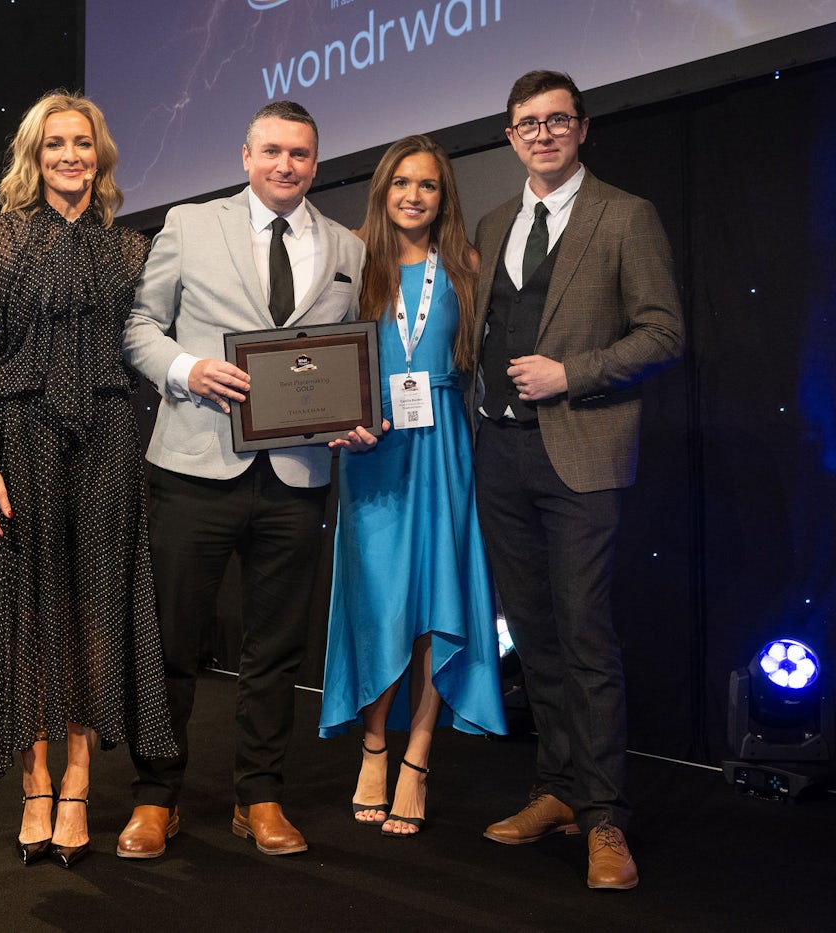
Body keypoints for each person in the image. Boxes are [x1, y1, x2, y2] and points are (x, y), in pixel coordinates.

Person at [120, 100, 373, 859]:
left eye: (299, 153)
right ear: (245, 155)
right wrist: (186, 368)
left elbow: (344, 357)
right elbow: (138, 325)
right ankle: (154, 795)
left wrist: (352, 414)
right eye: (271, 151)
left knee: (277, 649)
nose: (285, 165)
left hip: (297, 475)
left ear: (316, 163)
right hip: (194, 466)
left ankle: (259, 795)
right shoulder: (190, 226)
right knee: (172, 640)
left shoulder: (347, 247)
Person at [0, 90, 177, 870]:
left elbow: (153, 341)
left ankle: (80, 780)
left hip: (109, 440)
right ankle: (35, 782)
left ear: (100, 155)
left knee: (97, 609)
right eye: (54, 145)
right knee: (30, 611)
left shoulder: (130, 248)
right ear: (33, 156)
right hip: (22, 438)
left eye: (82, 143)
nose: (70, 156)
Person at [469, 70, 684, 890]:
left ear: (582, 129)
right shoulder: (493, 223)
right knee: (537, 635)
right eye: (529, 123)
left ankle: (605, 818)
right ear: (511, 136)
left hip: (583, 455)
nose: (544, 133)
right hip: (501, 457)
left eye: (559, 120)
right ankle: (555, 789)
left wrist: (574, 372)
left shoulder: (625, 216)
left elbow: (664, 332)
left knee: (586, 635)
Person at [319, 135, 507, 838]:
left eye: (427, 185)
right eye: (401, 182)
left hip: (445, 448)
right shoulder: (353, 266)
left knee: (438, 603)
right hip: (375, 450)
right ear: (382, 190)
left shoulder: (466, 267)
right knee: (382, 606)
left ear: (443, 196)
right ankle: (374, 743)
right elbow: (323, 366)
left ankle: (418, 759)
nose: (413, 195)